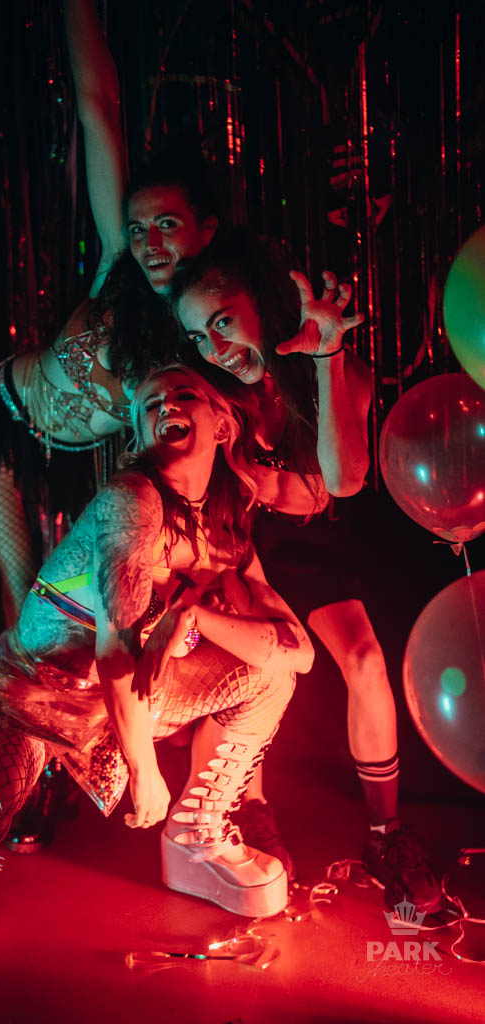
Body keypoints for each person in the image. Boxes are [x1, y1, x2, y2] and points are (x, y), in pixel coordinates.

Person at [0, 365, 315, 1001]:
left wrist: (197, 617)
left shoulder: (225, 521)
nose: (166, 405)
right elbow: (116, 653)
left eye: (184, 395)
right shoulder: (132, 502)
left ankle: (196, 836)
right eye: (150, 403)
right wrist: (144, 771)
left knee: (269, 675)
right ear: (137, 433)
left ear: (223, 425)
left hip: (123, 698)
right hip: (33, 690)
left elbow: (297, 650)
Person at [0, 0, 220, 848]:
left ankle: (64, 762)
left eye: (167, 226)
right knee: (20, 588)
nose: (148, 241)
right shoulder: (117, 267)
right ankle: (18, 781)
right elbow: (98, 104)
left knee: (67, 614)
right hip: (7, 421)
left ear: (206, 233)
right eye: (140, 227)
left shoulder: (199, 337)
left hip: (77, 463)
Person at [170, 227, 444, 914]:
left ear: (263, 304)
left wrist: (326, 357)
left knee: (366, 660)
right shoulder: (213, 393)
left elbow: (344, 481)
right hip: (245, 545)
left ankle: (385, 835)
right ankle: (249, 810)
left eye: (223, 322)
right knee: (254, 670)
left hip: (319, 541)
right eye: (199, 335)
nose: (214, 347)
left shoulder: (341, 369)